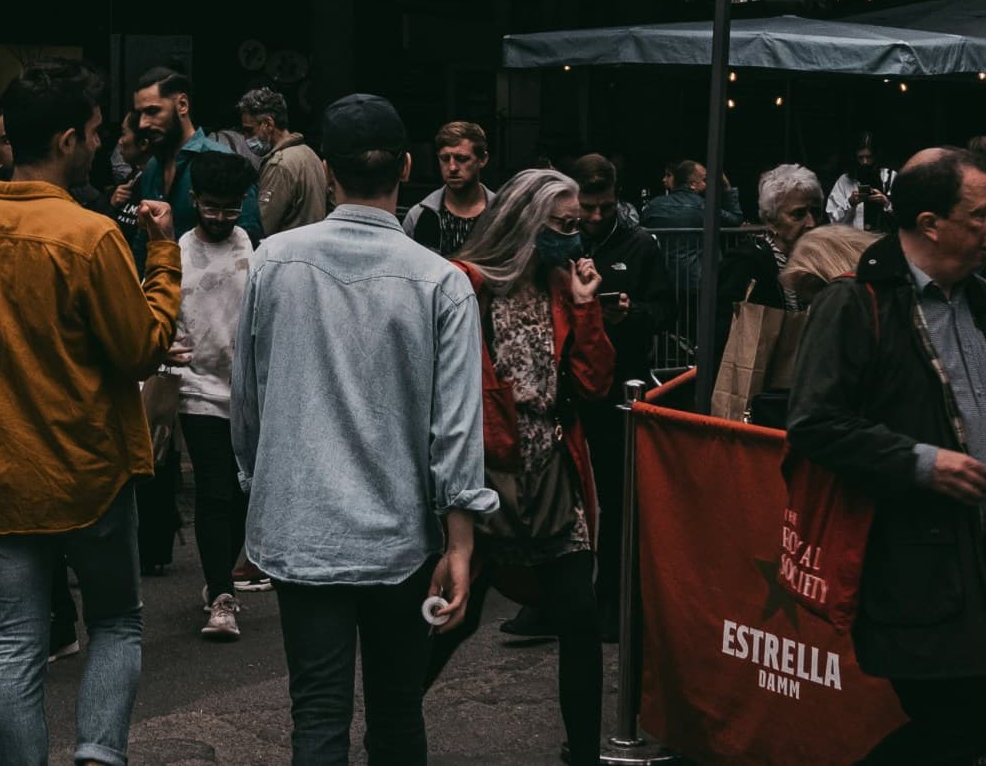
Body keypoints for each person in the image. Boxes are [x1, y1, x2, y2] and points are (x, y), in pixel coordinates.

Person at [0, 60, 180, 766]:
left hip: (0, 469)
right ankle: (97, 753)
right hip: (90, 467)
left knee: (20, 644)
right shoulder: (89, 235)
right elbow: (142, 349)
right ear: (66, 140)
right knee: (117, 621)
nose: (99, 144)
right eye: (93, 133)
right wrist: (162, 254)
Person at [232, 89, 492, 766]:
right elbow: (457, 426)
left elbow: (248, 402)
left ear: (326, 170)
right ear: (408, 166)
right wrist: (460, 541)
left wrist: (256, 492)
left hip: (302, 525)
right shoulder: (441, 281)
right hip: (401, 535)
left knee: (316, 715)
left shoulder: (271, 262)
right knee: (398, 711)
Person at [789, 146, 986, 766]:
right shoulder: (854, 303)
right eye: (980, 214)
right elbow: (815, 423)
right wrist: (924, 461)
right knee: (964, 725)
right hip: (919, 568)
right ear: (930, 223)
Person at [422, 164, 615, 766]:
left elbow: (594, 383)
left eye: (578, 225)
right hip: (485, 476)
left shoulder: (563, 285)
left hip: (554, 471)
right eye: (562, 225)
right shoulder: (465, 282)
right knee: (458, 614)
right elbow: (445, 385)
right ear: (525, 221)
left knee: (580, 618)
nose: (574, 238)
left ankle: (583, 751)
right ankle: (392, 723)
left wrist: (586, 309)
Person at [568, 153, 671, 637]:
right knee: (565, 494)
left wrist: (631, 314)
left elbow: (665, 309)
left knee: (615, 494)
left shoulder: (641, 243)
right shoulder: (559, 241)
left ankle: (611, 597)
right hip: (569, 382)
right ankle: (556, 598)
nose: (594, 217)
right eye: (588, 207)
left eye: (604, 208)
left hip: (620, 381)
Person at [172, 146, 258, 640]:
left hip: (249, 390)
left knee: (246, 493)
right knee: (215, 489)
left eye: (231, 207)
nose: (222, 217)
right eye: (212, 207)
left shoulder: (257, 250)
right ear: (194, 199)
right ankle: (221, 594)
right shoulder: (178, 253)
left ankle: (219, 575)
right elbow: (157, 310)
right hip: (197, 388)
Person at [120, 66, 258, 237]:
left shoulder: (223, 161)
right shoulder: (152, 168)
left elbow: (248, 238)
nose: (142, 124)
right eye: (140, 114)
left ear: (182, 105)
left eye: (152, 111)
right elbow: (146, 237)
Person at [237, 86, 335, 237]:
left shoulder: (279, 166)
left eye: (249, 130)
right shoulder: (309, 154)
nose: (245, 138)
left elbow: (262, 227)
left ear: (268, 124)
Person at [403, 120, 493, 260]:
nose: (452, 168)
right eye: (445, 159)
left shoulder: (501, 214)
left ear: (482, 159)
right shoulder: (419, 216)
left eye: (461, 159)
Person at [827, 128, 894, 231]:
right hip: (855, 242)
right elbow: (833, 221)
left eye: (869, 157)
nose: (865, 162)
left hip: (884, 241)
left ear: (876, 156)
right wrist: (850, 203)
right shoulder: (844, 181)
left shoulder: (890, 177)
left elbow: (905, 216)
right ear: (854, 157)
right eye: (860, 157)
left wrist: (886, 203)